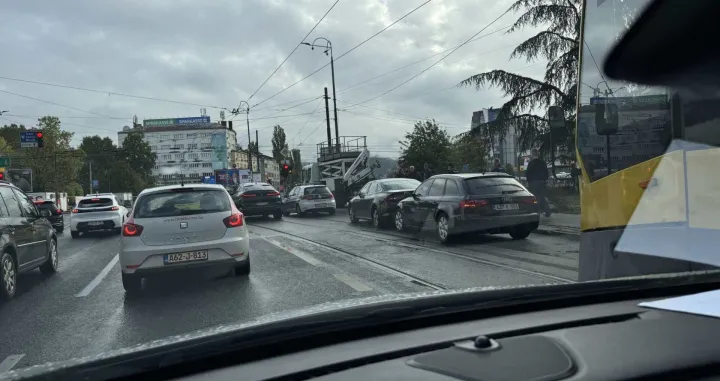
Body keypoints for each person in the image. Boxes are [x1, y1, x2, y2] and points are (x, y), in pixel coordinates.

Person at [525, 149, 551, 217]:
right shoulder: (542, 162)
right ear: (538, 154)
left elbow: (528, 173)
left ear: (532, 154)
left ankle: (537, 211)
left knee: (535, 197)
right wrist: (545, 180)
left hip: (533, 182)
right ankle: (547, 210)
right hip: (541, 181)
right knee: (542, 196)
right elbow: (546, 172)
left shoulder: (531, 163)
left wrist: (528, 181)